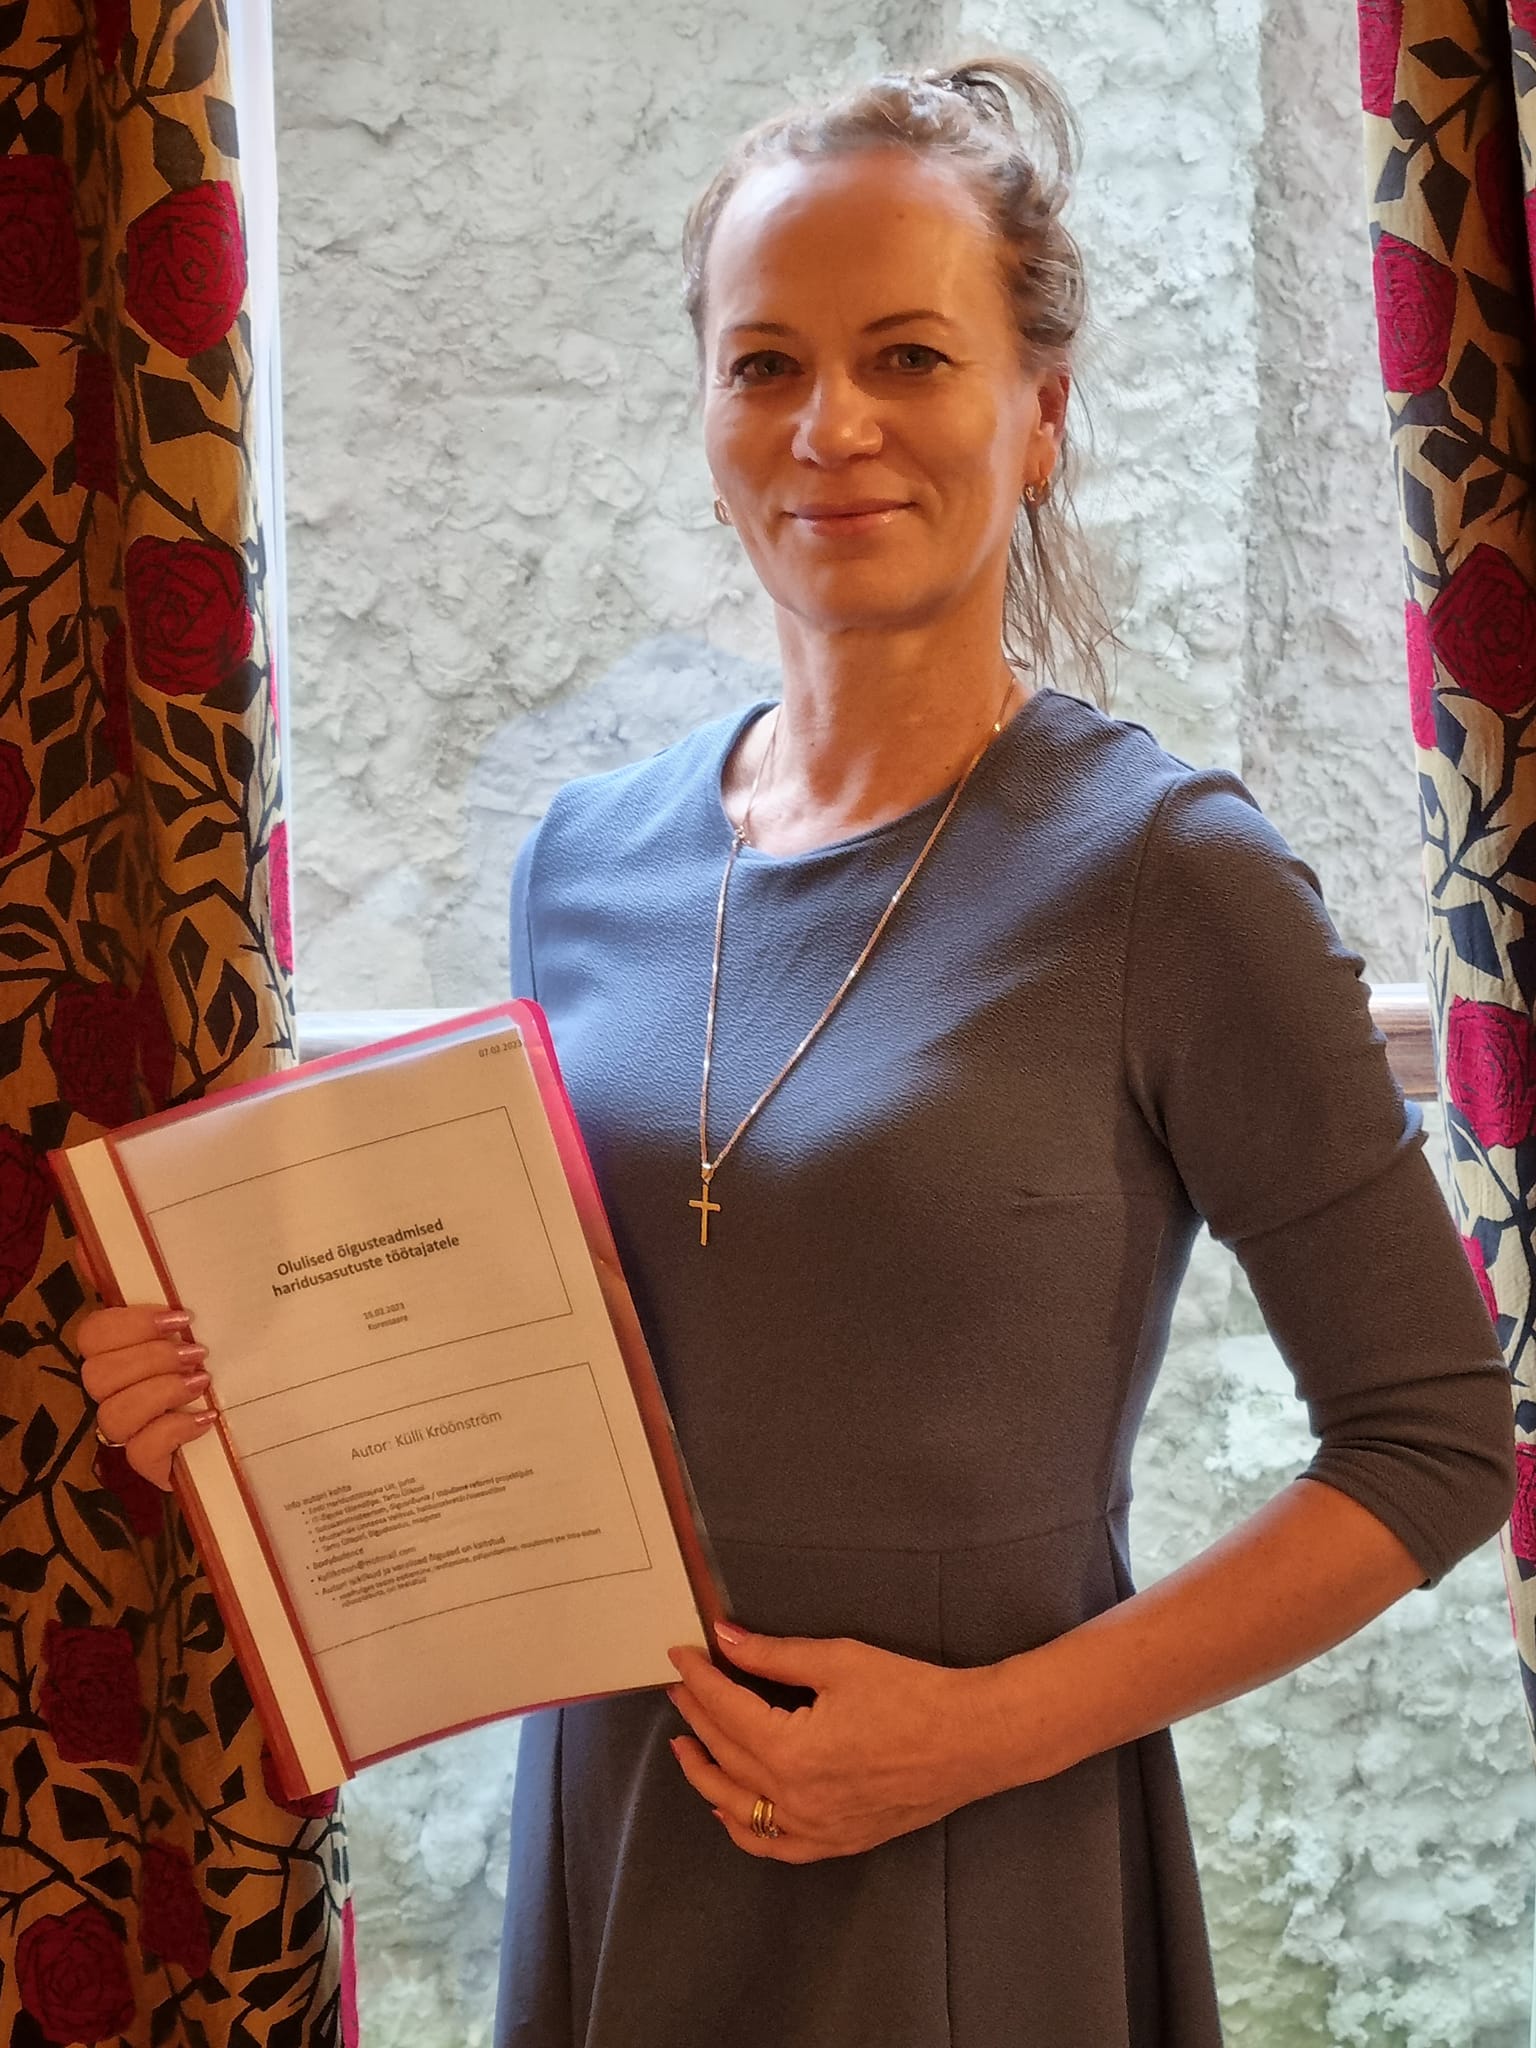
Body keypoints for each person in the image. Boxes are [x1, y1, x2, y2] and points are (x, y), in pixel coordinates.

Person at [79, 54, 1516, 2048]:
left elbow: (1433, 1445)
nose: (831, 426)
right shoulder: (583, 862)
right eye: (765, 365)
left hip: (979, 1864)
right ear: (706, 418)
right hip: (617, 1832)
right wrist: (234, 1397)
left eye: (908, 356)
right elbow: (549, 1378)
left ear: (1041, 414)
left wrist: (981, 1734)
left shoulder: (1174, 876)